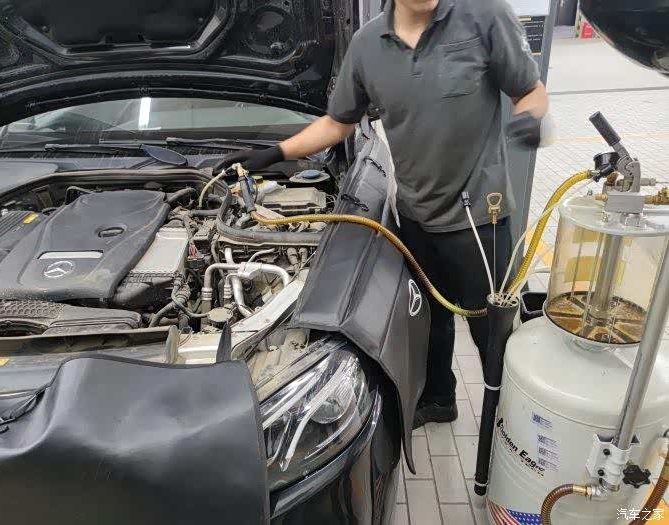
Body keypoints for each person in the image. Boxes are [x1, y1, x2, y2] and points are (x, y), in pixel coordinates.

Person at [216, 0, 549, 427]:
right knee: (430, 319)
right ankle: (439, 399)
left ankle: (510, 426)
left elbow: (530, 90)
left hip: (481, 219)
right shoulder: (367, 44)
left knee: (493, 333)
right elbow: (338, 123)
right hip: (414, 215)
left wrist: (530, 116)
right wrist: (275, 153)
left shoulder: (485, 16)